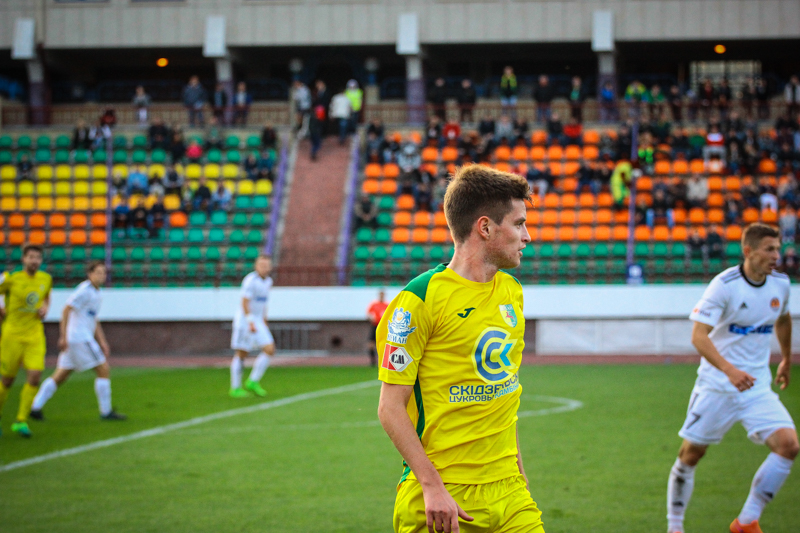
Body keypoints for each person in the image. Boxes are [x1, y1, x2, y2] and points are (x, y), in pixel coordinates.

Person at [377, 165, 543, 533]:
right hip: (443, 496)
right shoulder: (418, 300)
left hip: (509, 492)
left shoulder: (512, 292)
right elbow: (390, 407)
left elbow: (505, 390)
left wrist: (518, 469)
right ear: (485, 228)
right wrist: (431, 486)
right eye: (518, 224)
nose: (527, 236)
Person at [667, 224, 798, 533]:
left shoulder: (781, 284)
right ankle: (675, 526)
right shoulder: (724, 285)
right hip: (716, 387)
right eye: (769, 249)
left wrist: (786, 359)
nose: (776, 256)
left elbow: (783, 319)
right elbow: (698, 336)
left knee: (788, 445)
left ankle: (747, 521)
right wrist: (730, 370)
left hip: (756, 387)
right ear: (748, 251)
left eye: (778, 249)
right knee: (691, 455)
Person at [30, 262, 126, 422]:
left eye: (103, 273)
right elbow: (66, 309)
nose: (101, 276)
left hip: (77, 339)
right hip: (80, 338)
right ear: (90, 274)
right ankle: (106, 411)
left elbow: (93, 319)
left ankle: (35, 407)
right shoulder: (84, 290)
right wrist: (63, 336)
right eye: (98, 272)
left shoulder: (96, 293)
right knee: (103, 370)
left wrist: (102, 341)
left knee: (61, 374)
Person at [0, 244, 52, 438]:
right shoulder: (11, 278)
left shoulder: (45, 278)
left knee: (35, 375)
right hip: (12, 335)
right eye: (31, 257)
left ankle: (21, 420)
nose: (34, 261)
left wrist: (45, 308)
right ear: (23, 259)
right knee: (7, 380)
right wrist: (1, 307)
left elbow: (46, 297)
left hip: (34, 334)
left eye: (37, 257)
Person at [229, 255, 276, 398]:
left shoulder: (268, 281)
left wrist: (264, 320)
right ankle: (235, 388)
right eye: (262, 265)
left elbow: (264, 304)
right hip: (245, 320)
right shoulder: (250, 281)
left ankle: (253, 381)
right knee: (241, 354)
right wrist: (250, 321)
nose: (264, 268)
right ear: (256, 266)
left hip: (258, 320)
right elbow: (244, 302)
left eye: (267, 265)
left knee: (269, 349)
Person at [365, 289, 388, 367]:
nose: (381, 296)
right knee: (371, 344)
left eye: (382, 294)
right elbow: (368, 314)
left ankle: (384, 361)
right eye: (380, 294)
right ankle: (373, 362)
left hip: (384, 327)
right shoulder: (374, 305)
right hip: (375, 326)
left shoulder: (387, 305)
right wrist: (371, 318)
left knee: (385, 344)